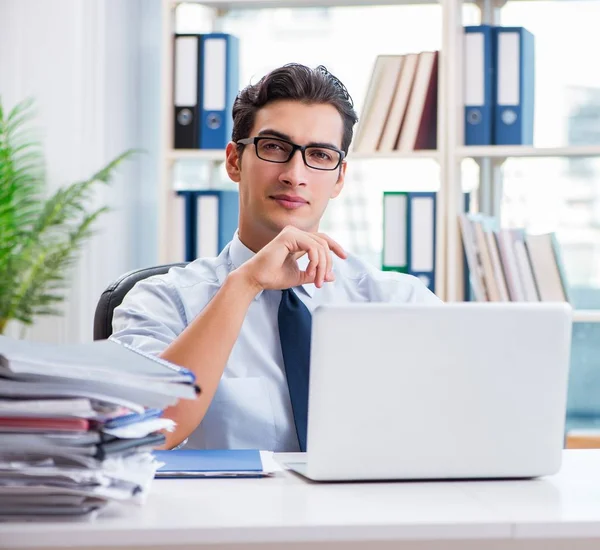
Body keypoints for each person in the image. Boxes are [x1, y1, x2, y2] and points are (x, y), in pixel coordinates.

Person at [111, 63, 441, 452]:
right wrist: (244, 285)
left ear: (338, 178)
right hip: (226, 513)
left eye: (319, 155)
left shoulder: (398, 302)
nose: (294, 174)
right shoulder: (162, 300)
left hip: (366, 510)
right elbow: (141, 434)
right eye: (274, 148)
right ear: (234, 161)